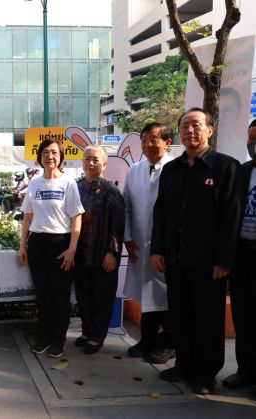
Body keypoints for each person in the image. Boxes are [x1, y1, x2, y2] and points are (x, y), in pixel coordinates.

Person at [151, 108, 242, 395]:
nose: (190, 130)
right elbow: (161, 212)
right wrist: (157, 250)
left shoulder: (226, 167)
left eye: (196, 125)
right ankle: (184, 364)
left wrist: (224, 259)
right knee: (181, 315)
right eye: (184, 126)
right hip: (175, 257)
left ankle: (205, 373)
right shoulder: (171, 169)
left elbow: (232, 217)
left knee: (208, 319)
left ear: (209, 130)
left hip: (209, 261)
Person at [17, 139, 84, 358]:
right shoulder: (34, 183)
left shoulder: (68, 183)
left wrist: (72, 249)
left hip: (61, 243)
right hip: (37, 243)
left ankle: (59, 339)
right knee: (43, 293)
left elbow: (76, 218)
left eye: (54, 152)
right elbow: (28, 218)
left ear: (61, 156)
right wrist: (22, 247)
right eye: (45, 153)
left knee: (60, 295)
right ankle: (45, 336)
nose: (50, 157)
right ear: (39, 157)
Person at [122, 123, 175, 364]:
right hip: (139, 244)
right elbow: (127, 206)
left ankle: (169, 343)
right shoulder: (134, 170)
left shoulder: (176, 169)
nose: (147, 145)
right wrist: (127, 236)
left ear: (167, 141)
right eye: (144, 140)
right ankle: (148, 339)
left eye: (153, 139)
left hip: (167, 247)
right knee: (147, 294)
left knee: (168, 295)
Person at [74, 145, 125, 354]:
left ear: (104, 164)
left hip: (102, 254)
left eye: (96, 159)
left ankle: (97, 337)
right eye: (87, 159)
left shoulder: (111, 190)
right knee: (83, 297)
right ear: (82, 162)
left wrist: (112, 253)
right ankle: (86, 332)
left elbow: (118, 224)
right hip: (80, 253)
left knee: (102, 298)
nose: (91, 163)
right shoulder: (75, 187)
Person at [222, 118, 256, 395]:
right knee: (243, 316)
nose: (253, 144)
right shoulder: (242, 172)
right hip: (242, 255)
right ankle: (245, 370)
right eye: (250, 139)